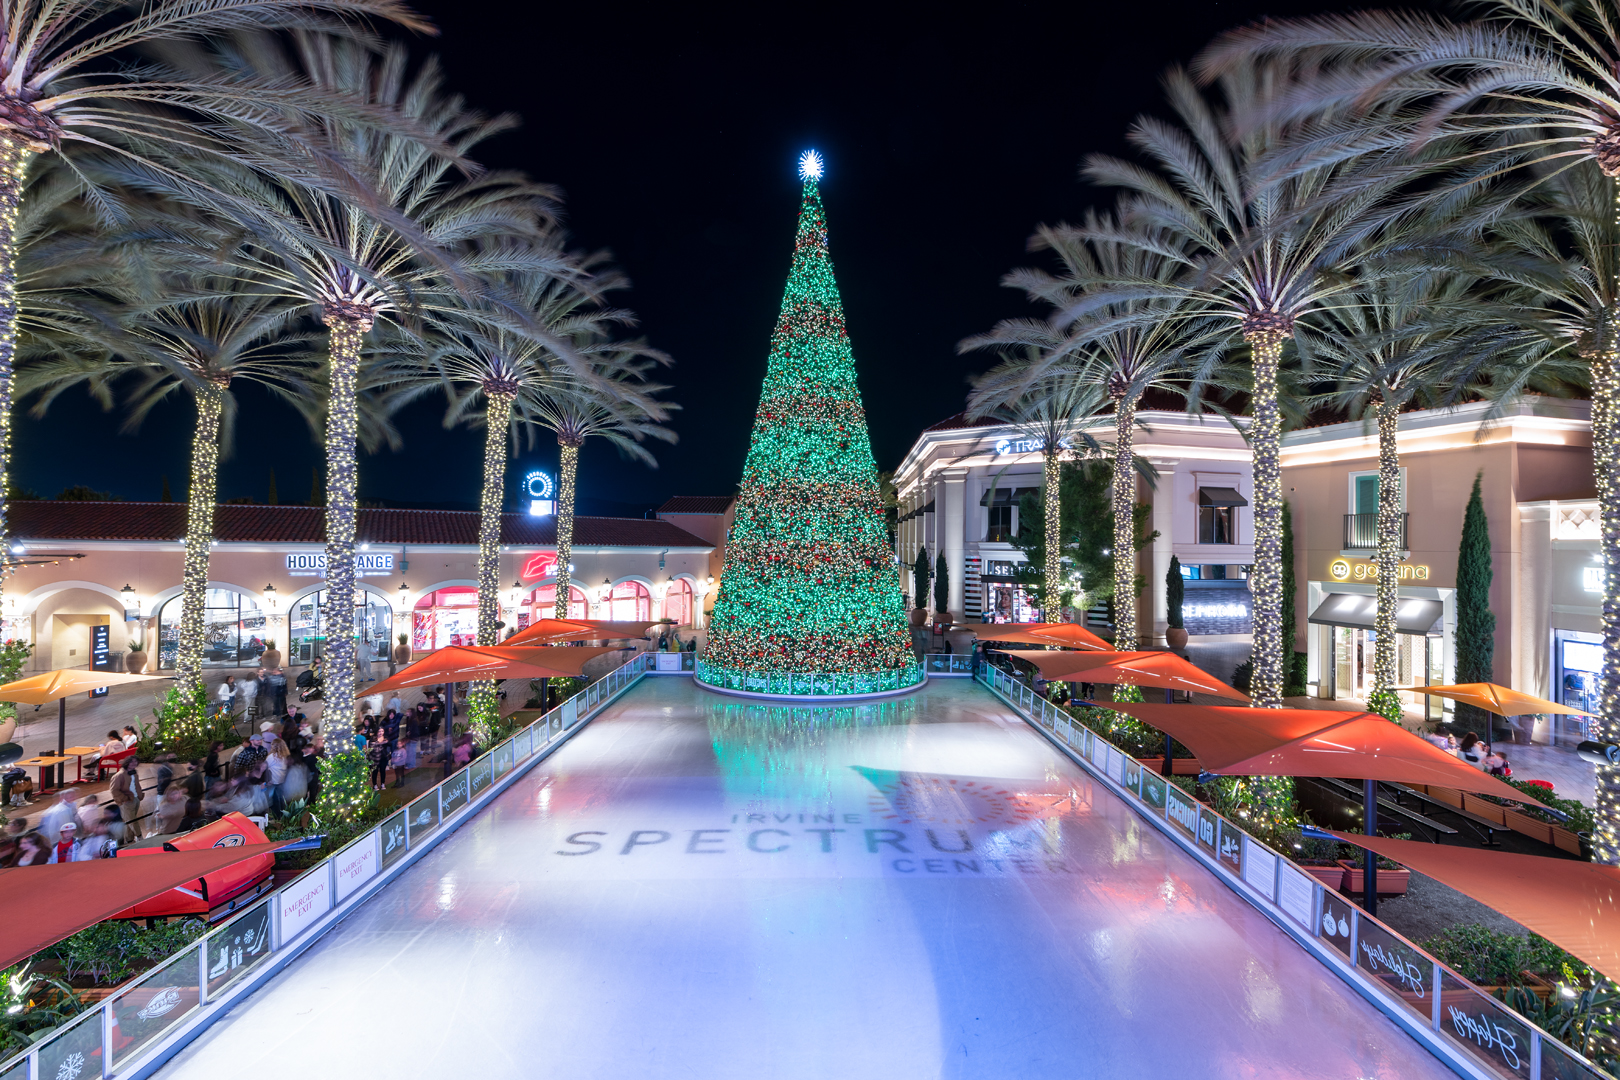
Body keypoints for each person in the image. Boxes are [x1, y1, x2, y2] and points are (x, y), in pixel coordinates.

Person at [111, 757, 144, 839]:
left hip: (136, 799)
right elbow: (114, 790)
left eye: (136, 761)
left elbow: (137, 785)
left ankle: (129, 839)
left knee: (129, 821)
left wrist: (140, 795)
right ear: (127, 763)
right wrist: (124, 799)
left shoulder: (134, 773)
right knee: (132, 821)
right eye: (132, 762)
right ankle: (140, 837)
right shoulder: (119, 775)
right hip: (127, 801)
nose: (134, 763)